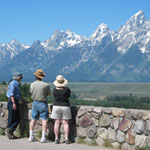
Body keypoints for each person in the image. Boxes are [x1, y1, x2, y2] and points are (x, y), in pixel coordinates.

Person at [28, 69, 51, 143]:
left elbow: (30, 93)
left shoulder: (32, 84)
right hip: (43, 103)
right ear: (42, 77)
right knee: (44, 119)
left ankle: (31, 136)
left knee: (33, 119)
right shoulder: (45, 85)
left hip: (34, 102)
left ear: (35, 76)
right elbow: (48, 94)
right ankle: (43, 137)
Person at [51, 75, 72, 144]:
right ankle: (66, 138)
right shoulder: (67, 90)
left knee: (57, 123)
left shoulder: (54, 90)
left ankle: (56, 138)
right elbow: (68, 96)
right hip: (65, 106)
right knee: (65, 123)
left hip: (56, 106)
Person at [6, 72, 23, 139]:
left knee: (14, 118)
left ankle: (10, 132)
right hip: (12, 101)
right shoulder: (13, 83)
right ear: (18, 77)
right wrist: (13, 103)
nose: (21, 79)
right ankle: (10, 130)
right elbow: (11, 94)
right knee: (14, 118)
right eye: (21, 77)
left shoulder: (15, 83)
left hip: (13, 101)